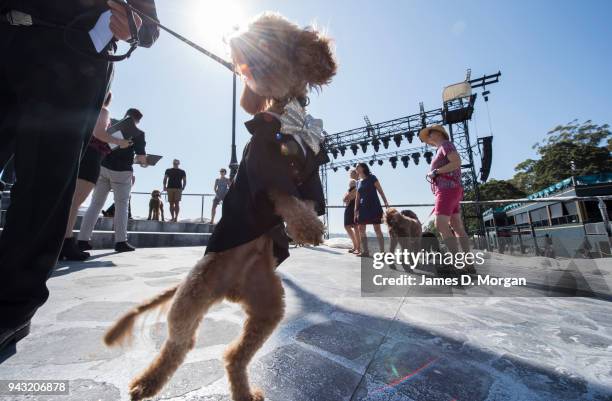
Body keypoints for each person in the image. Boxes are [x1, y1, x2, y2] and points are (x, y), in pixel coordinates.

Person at [0, 0, 159, 352]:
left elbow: (148, 26)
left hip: (70, 52)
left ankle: (10, 308)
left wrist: (134, 27)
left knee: (44, 181)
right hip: (6, 35)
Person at [60, 92, 131, 261]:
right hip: (92, 157)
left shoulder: (85, 109)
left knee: (72, 201)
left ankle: (64, 241)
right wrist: (121, 142)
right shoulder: (103, 110)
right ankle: (66, 243)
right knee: (74, 202)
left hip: (82, 155)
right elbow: (99, 133)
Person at [78, 109, 148, 253]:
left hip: (103, 167)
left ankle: (83, 240)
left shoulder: (111, 123)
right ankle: (121, 242)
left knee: (95, 204)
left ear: (126, 114)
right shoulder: (139, 133)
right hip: (122, 172)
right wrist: (144, 162)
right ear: (138, 120)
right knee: (122, 206)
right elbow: (141, 158)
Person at [420, 124, 475, 274]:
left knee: (441, 225)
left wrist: (436, 171)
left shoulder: (445, 145)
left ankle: (458, 263)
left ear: (438, 134)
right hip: (453, 189)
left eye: (430, 134)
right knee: (456, 226)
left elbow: (457, 162)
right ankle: (468, 263)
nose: (429, 137)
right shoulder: (442, 148)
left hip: (446, 190)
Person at [354, 163, 389, 257]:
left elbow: (380, 191)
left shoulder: (372, 177)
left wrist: (386, 202)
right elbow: (357, 198)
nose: (356, 167)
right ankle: (365, 251)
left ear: (363, 167)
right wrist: (355, 211)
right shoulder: (358, 182)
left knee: (377, 229)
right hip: (362, 208)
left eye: (358, 166)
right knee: (361, 229)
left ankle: (382, 252)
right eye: (356, 166)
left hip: (374, 206)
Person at [343, 169, 360, 253]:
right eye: (350, 174)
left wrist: (349, 196)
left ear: (356, 174)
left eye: (352, 173)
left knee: (356, 227)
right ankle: (355, 245)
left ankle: (358, 247)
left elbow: (352, 196)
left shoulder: (359, 183)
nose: (351, 175)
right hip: (348, 207)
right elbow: (345, 199)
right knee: (347, 226)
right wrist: (348, 195)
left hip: (355, 206)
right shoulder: (351, 184)